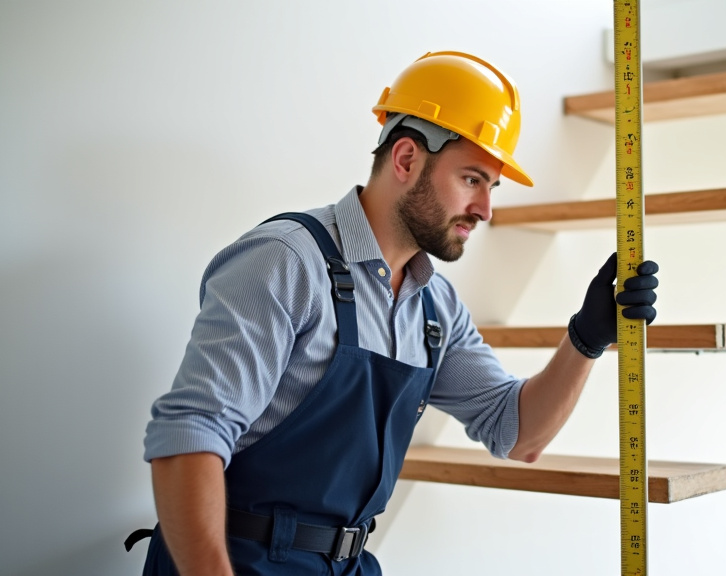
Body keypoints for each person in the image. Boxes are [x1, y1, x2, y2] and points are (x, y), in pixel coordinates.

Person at [130, 51, 659, 576]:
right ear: (406, 159)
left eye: (491, 187)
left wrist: (586, 339)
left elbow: (518, 435)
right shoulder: (287, 262)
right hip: (237, 561)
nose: (485, 210)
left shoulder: (434, 306)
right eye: (472, 179)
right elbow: (190, 435)